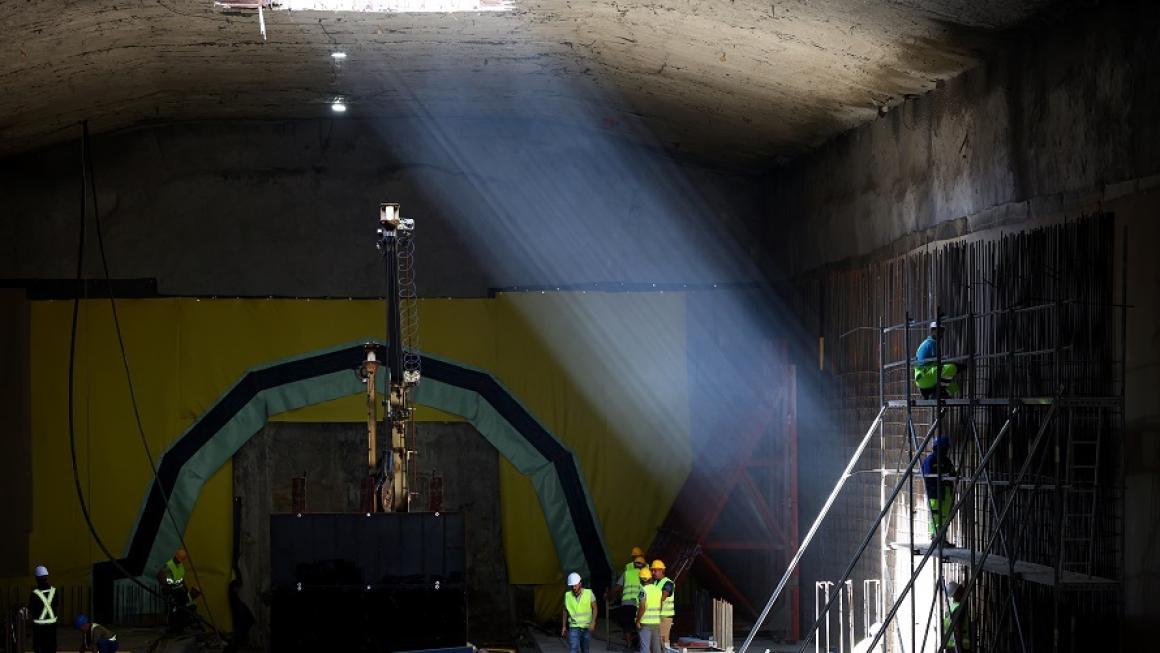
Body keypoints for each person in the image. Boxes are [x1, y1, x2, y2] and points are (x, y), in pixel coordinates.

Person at [607, 552, 647, 651]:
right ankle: (640, 644)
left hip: (627, 603)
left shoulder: (627, 574)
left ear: (633, 564)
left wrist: (608, 596)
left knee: (627, 624)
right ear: (644, 565)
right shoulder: (647, 575)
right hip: (640, 604)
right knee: (640, 624)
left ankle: (629, 645)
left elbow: (616, 589)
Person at [922, 436, 957, 547]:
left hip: (946, 492)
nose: (945, 450)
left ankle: (942, 538)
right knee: (936, 515)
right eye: (944, 448)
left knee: (945, 516)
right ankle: (935, 537)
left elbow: (953, 472)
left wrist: (951, 475)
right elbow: (927, 475)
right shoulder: (930, 460)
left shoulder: (946, 461)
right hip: (935, 493)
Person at [156, 548, 199, 633]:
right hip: (170, 590)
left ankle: (180, 625)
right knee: (174, 607)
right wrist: (165, 586)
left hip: (178, 589)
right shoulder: (169, 565)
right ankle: (172, 626)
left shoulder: (180, 566)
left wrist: (185, 588)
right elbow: (159, 575)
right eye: (178, 559)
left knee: (183, 604)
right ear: (175, 557)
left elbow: (181, 578)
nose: (178, 561)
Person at [914, 322, 959, 399]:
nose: (941, 334)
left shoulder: (926, 342)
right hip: (925, 376)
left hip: (921, 378)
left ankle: (933, 392)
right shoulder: (932, 343)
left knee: (952, 384)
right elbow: (937, 361)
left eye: (942, 331)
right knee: (952, 368)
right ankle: (939, 392)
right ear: (932, 331)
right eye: (939, 331)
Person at [561, 572, 597, 653]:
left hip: (586, 627)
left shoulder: (589, 593)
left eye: (575, 585)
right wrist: (564, 626)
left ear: (580, 583)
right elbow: (564, 611)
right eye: (572, 586)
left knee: (585, 650)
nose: (574, 588)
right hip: (574, 627)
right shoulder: (567, 595)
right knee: (573, 649)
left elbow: (595, 608)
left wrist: (593, 622)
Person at [27, 565, 58, 653]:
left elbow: (31, 610)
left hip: (39, 628)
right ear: (47, 577)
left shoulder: (34, 594)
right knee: (51, 648)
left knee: (39, 648)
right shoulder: (54, 591)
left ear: (36, 578)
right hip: (52, 627)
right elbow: (55, 605)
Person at [224, 578, 256, 653]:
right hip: (242, 622)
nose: (238, 590)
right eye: (237, 588)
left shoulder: (236, 599)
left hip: (242, 622)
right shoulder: (236, 599)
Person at [649, 560, 675, 648]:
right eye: (652, 570)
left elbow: (663, 597)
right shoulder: (655, 583)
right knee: (657, 640)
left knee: (663, 639)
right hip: (657, 616)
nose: (653, 573)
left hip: (665, 616)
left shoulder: (668, 583)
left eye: (655, 570)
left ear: (661, 570)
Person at [635, 568, 662, 653]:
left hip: (645, 623)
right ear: (650, 578)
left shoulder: (643, 590)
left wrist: (638, 621)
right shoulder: (658, 590)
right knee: (656, 648)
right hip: (656, 622)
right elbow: (660, 605)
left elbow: (642, 607)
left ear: (641, 579)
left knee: (645, 648)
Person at [943, 582, 972, 652]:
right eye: (960, 590)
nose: (964, 592)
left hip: (950, 647)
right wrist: (959, 649)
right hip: (959, 647)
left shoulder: (950, 608)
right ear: (956, 593)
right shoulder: (959, 608)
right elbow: (957, 629)